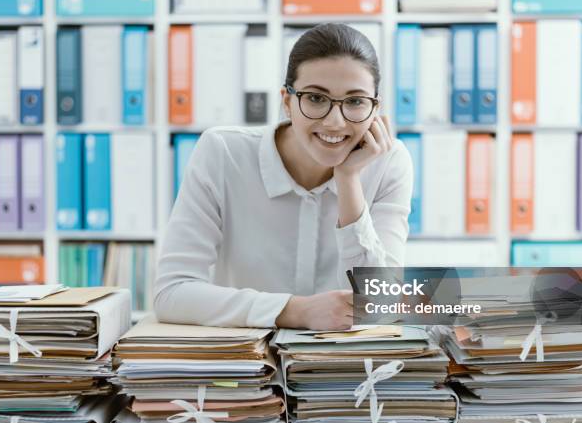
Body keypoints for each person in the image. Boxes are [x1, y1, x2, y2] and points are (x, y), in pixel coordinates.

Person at [154, 23, 413, 330]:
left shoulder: (389, 161)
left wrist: (348, 179)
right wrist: (294, 311)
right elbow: (171, 293)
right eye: (316, 98)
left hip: (342, 372)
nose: (334, 121)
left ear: (375, 109)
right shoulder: (222, 152)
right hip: (245, 370)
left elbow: (381, 304)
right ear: (288, 102)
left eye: (355, 101)